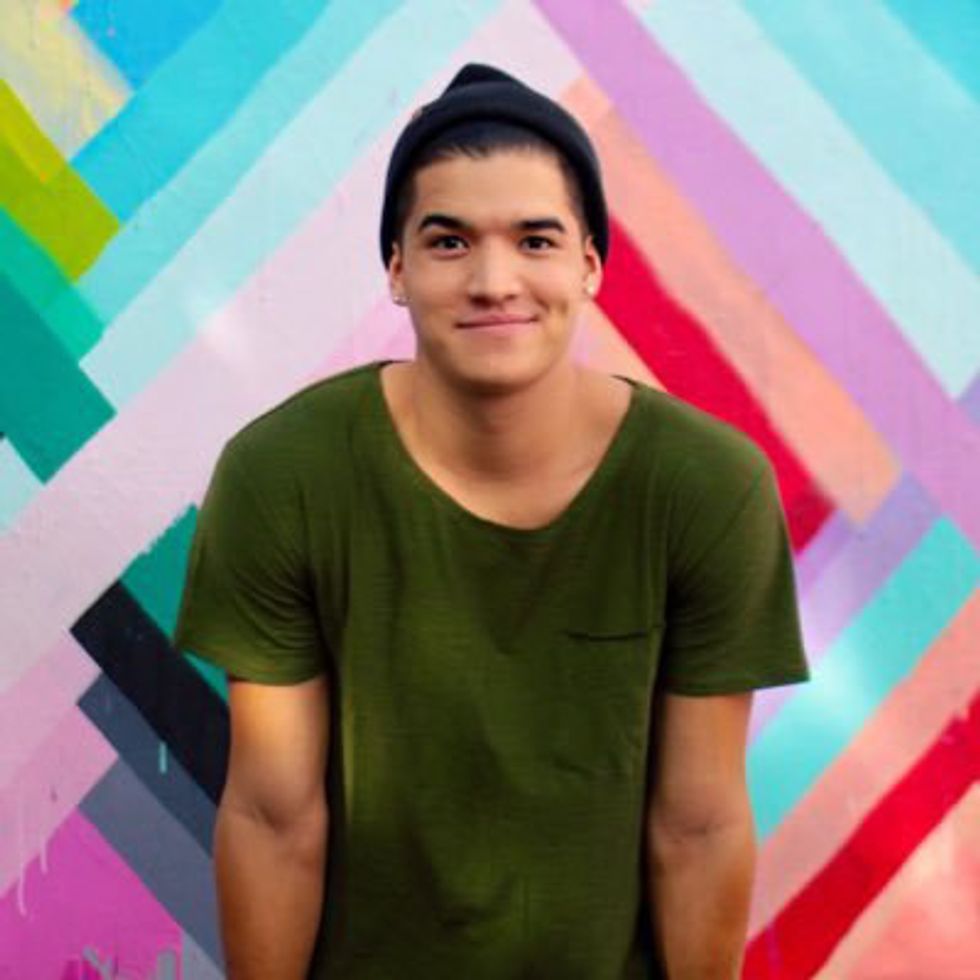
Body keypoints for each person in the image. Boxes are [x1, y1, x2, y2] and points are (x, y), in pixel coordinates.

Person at [173, 63, 809, 980]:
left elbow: (698, 823)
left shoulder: (705, 488)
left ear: (589, 264)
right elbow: (276, 816)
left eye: (536, 240)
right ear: (397, 269)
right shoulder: (285, 477)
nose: (493, 280)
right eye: (449, 241)